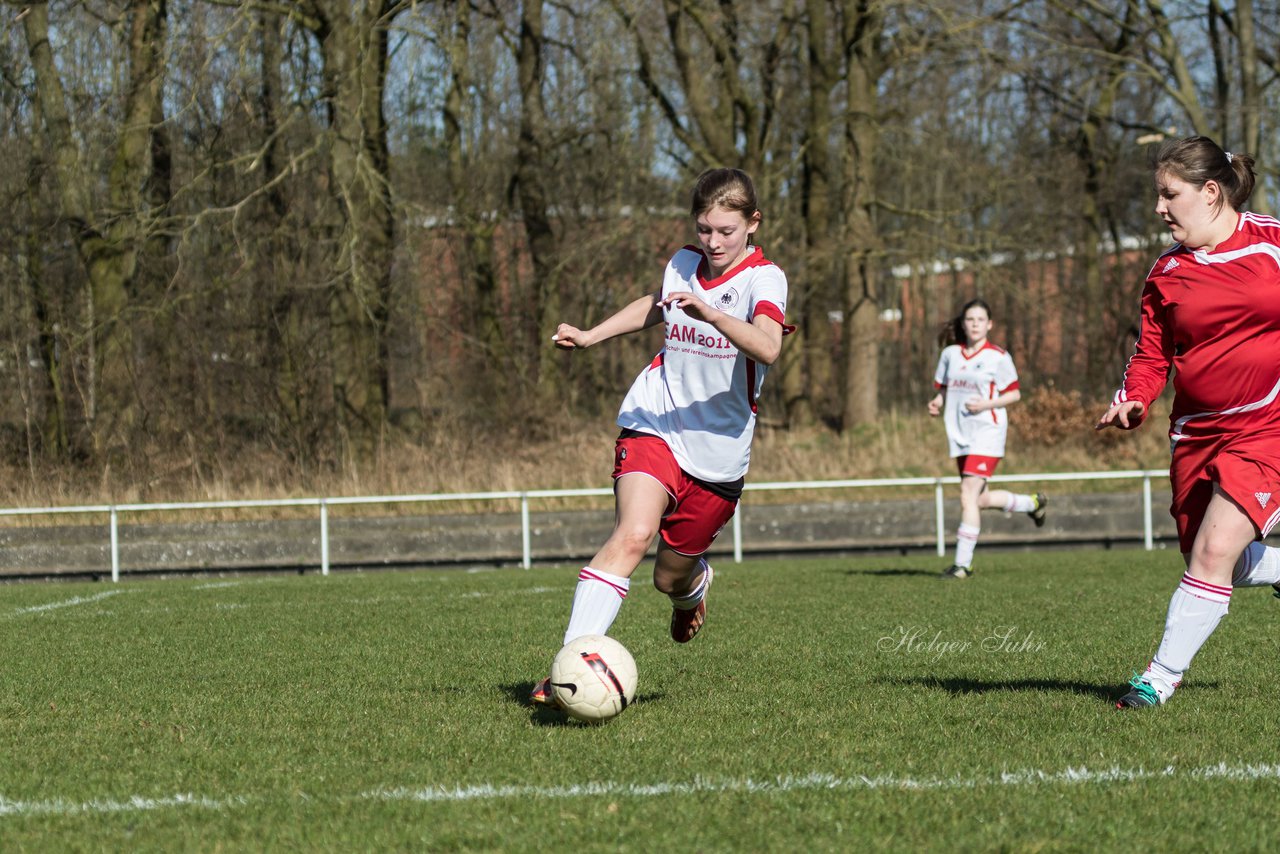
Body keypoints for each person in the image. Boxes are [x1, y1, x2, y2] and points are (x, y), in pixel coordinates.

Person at [530, 167, 790, 707]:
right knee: (632, 533)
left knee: (667, 577)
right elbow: (655, 303)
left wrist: (712, 312)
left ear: (753, 223)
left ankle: (691, 587)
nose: (713, 242)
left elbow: (767, 348)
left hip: (718, 455)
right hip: (657, 420)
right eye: (704, 229)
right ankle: (568, 670)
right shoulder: (683, 263)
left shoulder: (765, 279)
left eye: (725, 231)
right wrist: (590, 335)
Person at [1098, 136, 1280, 710]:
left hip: (1267, 429)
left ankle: (1157, 678)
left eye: (1167, 195)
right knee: (1206, 555)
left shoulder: (1273, 243)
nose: (1158, 208)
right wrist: (1134, 398)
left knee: (1213, 551)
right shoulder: (1166, 272)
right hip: (1196, 434)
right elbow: (1152, 354)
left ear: (1209, 192)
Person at [927, 298, 1047, 580]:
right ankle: (1033, 504)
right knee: (978, 500)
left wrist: (986, 404)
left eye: (980, 320)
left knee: (967, 495)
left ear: (989, 324)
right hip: (959, 434)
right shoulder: (951, 354)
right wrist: (937, 402)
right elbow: (944, 388)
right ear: (963, 323)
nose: (975, 324)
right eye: (970, 319)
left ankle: (962, 565)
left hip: (987, 432)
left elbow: (1014, 393)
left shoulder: (998, 357)